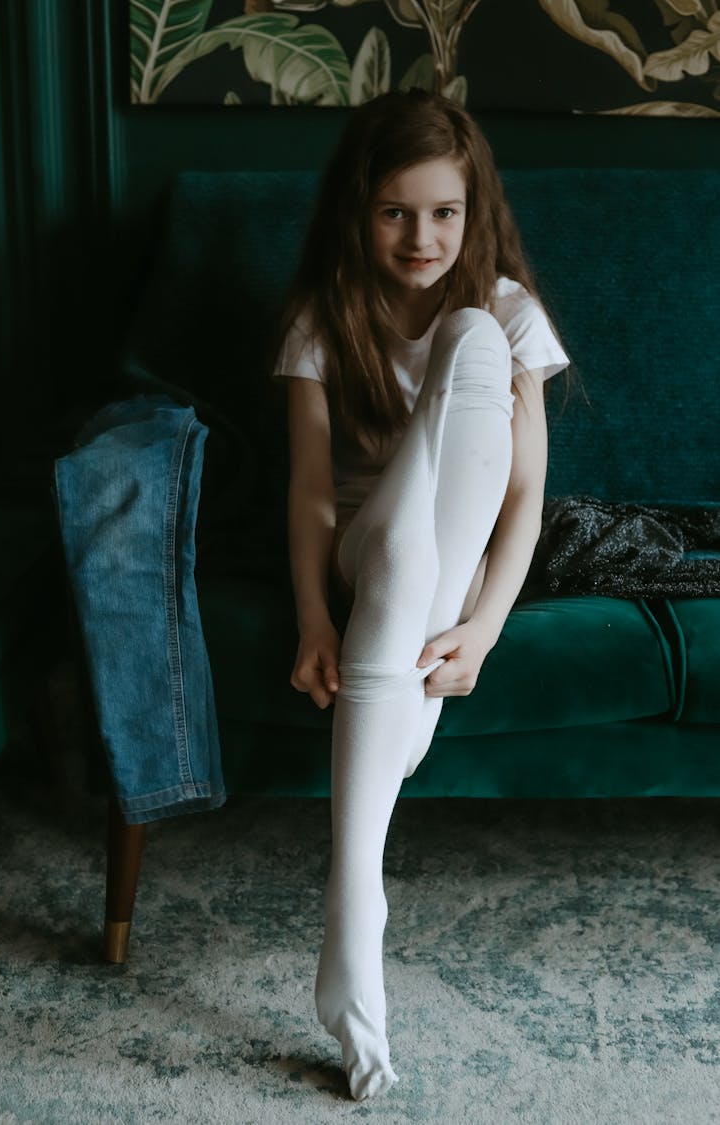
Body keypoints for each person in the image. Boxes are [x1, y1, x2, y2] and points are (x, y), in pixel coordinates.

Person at [272, 89, 569, 1100]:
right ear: (359, 211)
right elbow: (314, 491)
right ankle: (357, 922)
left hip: (454, 572)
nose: (422, 236)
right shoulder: (324, 314)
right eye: (396, 211)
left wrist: (481, 630)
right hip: (365, 551)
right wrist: (315, 613)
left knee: (475, 340)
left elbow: (525, 497)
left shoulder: (507, 309)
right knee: (392, 548)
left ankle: (351, 927)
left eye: (444, 212)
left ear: (473, 210)